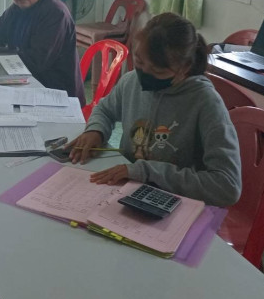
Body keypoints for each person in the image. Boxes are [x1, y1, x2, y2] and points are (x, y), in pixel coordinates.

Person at [68, 12, 241, 207]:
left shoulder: (206, 103)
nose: (144, 75)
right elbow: (105, 109)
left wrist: (147, 171)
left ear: (184, 67)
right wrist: (96, 130)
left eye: (158, 72)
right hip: (127, 188)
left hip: (176, 201)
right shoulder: (131, 81)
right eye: (139, 62)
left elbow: (227, 186)